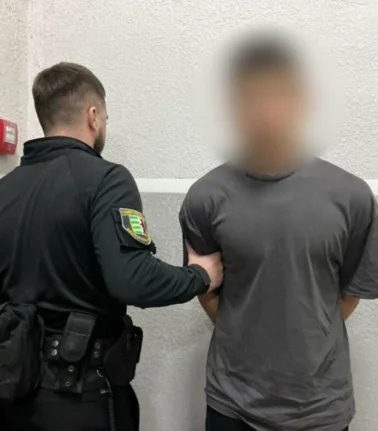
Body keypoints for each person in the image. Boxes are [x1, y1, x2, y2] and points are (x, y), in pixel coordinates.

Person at [0, 62, 224, 431]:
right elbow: (132, 279)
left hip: (14, 393)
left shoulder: (6, 188)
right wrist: (200, 276)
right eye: (104, 117)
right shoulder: (106, 180)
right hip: (80, 397)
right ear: (92, 116)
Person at [179, 35, 378, 431]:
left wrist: (306, 342)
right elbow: (206, 290)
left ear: (301, 101)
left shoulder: (351, 197)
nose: (266, 111)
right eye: (252, 98)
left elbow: (349, 294)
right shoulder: (205, 198)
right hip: (232, 405)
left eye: (278, 95)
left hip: (320, 410)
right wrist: (250, 339)